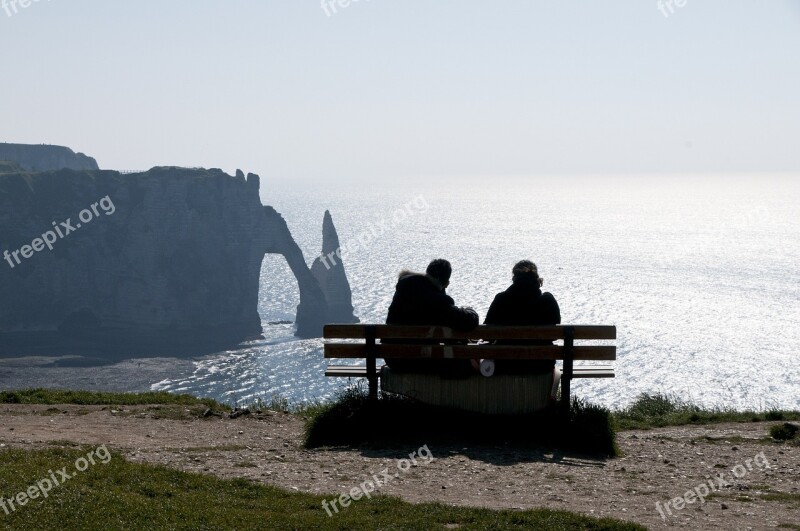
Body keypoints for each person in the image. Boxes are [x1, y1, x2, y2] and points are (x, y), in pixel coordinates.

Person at [384, 259, 479, 376]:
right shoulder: (438, 301)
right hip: (416, 360)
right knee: (466, 367)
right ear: (446, 283)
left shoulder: (404, 289)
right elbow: (467, 321)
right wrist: (469, 310)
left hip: (393, 358)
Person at [484, 260, 561, 374]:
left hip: (505, 364)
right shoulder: (547, 301)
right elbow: (555, 335)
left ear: (514, 278)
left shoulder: (501, 299)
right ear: (536, 278)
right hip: (541, 365)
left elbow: (488, 335)